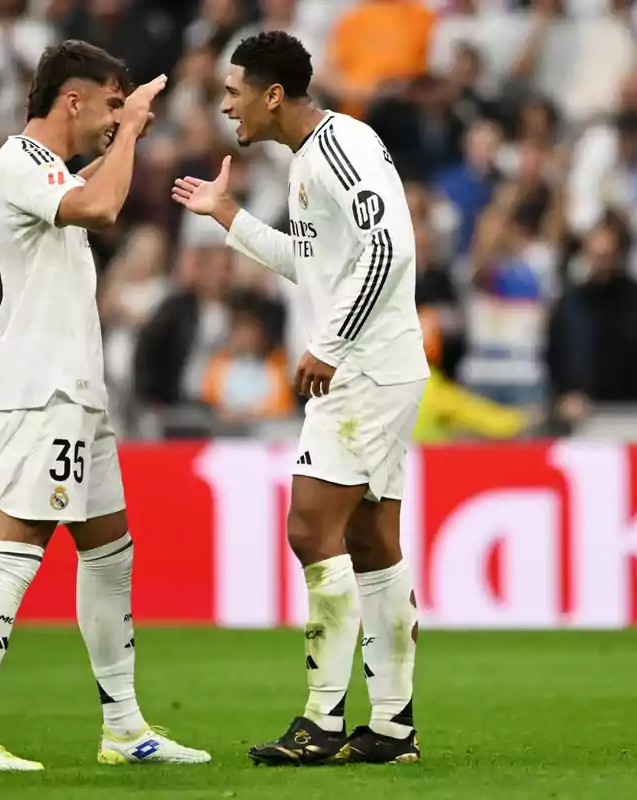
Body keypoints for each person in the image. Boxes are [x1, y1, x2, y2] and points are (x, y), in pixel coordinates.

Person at [0, 40, 210, 772]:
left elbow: (84, 190)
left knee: (111, 555)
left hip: (77, 392)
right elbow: (102, 204)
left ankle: (124, 726)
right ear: (73, 99)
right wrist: (133, 133)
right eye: (111, 105)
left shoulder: (44, 170)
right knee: (15, 551)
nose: (116, 120)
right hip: (40, 391)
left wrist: (129, 133)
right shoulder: (20, 159)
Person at [173, 30, 429, 766]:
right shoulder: (311, 159)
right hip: (372, 367)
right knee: (370, 542)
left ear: (272, 94)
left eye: (233, 92)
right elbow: (313, 264)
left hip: (365, 371)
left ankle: (321, 721)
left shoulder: (342, 147)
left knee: (309, 528)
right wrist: (229, 217)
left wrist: (331, 344)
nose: (226, 106)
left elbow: (390, 250)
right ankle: (391, 728)